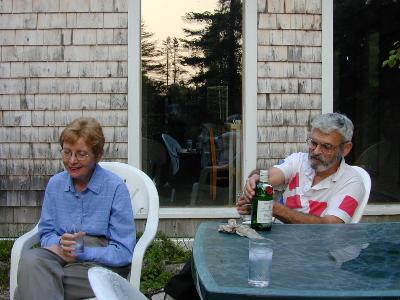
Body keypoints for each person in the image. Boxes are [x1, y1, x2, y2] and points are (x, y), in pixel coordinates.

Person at [14, 117, 136, 300]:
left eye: (81, 154)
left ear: (98, 155)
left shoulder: (115, 188)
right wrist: (62, 245)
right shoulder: (56, 184)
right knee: (30, 261)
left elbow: (124, 252)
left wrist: (83, 252)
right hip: (61, 254)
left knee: (30, 284)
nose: (72, 161)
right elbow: (46, 233)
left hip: (101, 262)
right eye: (67, 152)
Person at [237, 112, 364, 224]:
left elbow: (331, 226)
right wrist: (256, 180)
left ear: (346, 148)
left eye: (326, 147)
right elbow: (270, 176)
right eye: (313, 143)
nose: (316, 151)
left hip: (319, 249)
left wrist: (272, 208)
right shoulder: (298, 160)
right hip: (281, 243)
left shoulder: (352, 181)